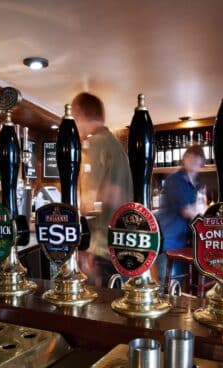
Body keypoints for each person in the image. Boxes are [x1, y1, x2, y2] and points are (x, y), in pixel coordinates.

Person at [72, 92, 133, 287]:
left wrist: (84, 248)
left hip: (100, 251)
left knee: (95, 311)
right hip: (121, 245)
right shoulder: (115, 145)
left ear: (78, 114)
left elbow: (88, 205)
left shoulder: (93, 144)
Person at [156, 145, 206, 287]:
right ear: (184, 159)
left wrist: (199, 209)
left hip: (183, 241)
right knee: (167, 284)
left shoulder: (196, 184)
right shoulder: (175, 180)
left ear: (202, 161)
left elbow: (199, 208)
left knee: (178, 284)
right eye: (190, 156)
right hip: (168, 241)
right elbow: (188, 211)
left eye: (198, 157)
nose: (194, 160)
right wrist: (199, 210)